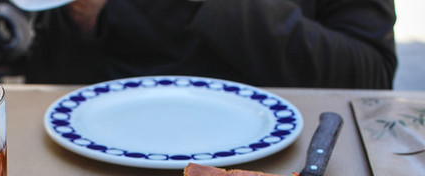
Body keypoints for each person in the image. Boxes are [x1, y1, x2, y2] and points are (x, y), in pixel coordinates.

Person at [25, 0, 398, 89]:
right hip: (108, 149)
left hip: (284, 160)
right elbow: (51, 83)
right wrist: (79, 23)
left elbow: (370, 75)